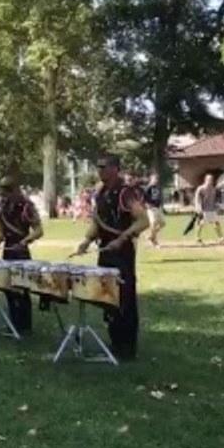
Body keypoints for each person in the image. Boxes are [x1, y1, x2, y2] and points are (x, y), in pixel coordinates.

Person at [75, 153, 150, 361]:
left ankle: (127, 346)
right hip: (105, 251)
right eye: (98, 167)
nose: (99, 171)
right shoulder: (100, 194)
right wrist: (87, 241)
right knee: (107, 297)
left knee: (124, 298)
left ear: (115, 168)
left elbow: (143, 221)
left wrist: (123, 238)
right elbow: (97, 223)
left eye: (103, 167)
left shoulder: (125, 192)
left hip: (122, 253)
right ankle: (115, 341)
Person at [0, 175, 44, 333]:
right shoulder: (4, 206)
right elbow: (0, 231)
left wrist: (25, 241)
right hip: (8, 250)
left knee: (21, 290)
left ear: (15, 189)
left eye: (6, 190)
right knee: (9, 289)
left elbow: (39, 230)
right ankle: (13, 324)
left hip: (21, 252)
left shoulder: (26, 206)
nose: (2, 193)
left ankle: (24, 326)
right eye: (2, 190)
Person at [194, 174, 224, 244]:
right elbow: (197, 199)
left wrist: (217, 206)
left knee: (216, 223)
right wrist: (198, 207)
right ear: (205, 180)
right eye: (209, 179)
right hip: (203, 209)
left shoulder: (213, 189)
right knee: (201, 224)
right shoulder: (201, 188)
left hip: (212, 209)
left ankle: (220, 237)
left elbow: (214, 199)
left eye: (211, 180)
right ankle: (197, 238)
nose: (210, 181)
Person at [143, 173, 165, 248]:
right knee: (153, 223)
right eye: (155, 179)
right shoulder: (148, 188)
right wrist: (147, 205)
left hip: (158, 208)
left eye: (157, 179)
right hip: (151, 209)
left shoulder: (158, 187)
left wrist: (161, 205)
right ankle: (154, 242)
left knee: (162, 224)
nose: (156, 180)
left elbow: (159, 197)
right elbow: (144, 198)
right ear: (151, 179)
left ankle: (151, 236)